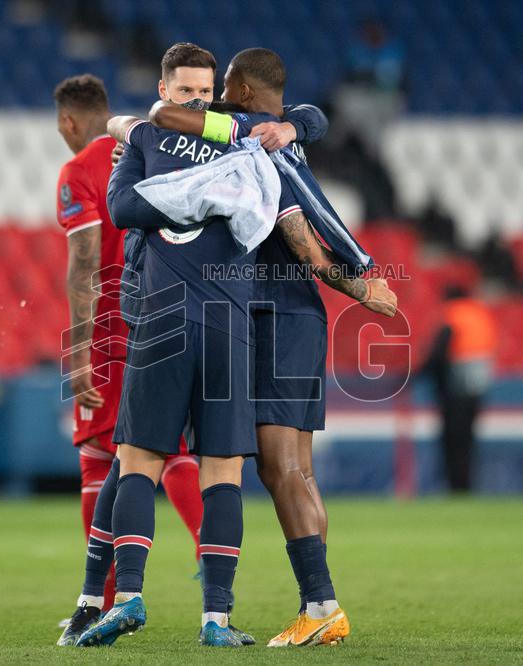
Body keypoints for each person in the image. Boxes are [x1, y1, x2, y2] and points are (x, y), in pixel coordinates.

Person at [78, 46, 397, 649]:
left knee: (270, 466)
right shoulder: (279, 136)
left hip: (272, 317)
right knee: (290, 468)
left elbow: (304, 244)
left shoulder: (253, 144)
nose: (213, 97)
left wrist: (361, 286)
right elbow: (312, 116)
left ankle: (319, 603)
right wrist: (296, 123)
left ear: (243, 94)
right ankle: (305, 604)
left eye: (222, 86)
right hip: (280, 317)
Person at [52, 72, 204, 646]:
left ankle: (102, 602)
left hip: (115, 324)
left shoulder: (77, 171)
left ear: (68, 121)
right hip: (169, 306)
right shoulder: (144, 148)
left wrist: (79, 351)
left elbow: (86, 259)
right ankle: (209, 560)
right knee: (169, 446)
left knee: (100, 453)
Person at [424, 285, 497, 492]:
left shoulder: (454, 314)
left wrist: (422, 373)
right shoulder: (481, 314)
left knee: (453, 439)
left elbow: (440, 350)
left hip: (456, 386)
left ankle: (455, 485)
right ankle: (466, 484)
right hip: (479, 385)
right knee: (468, 440)